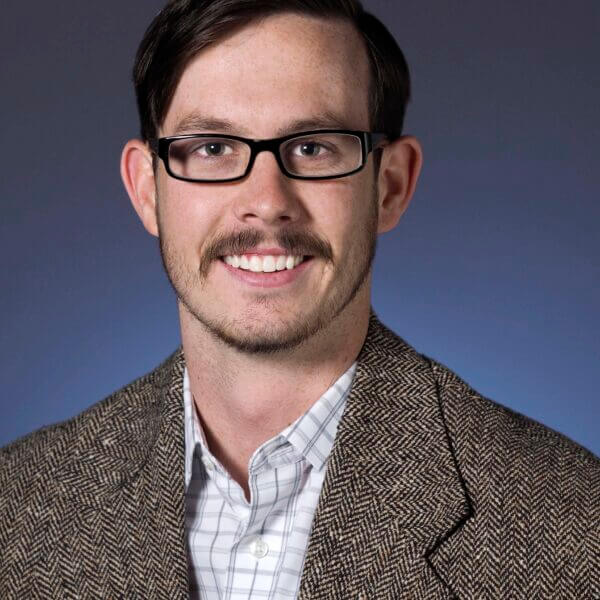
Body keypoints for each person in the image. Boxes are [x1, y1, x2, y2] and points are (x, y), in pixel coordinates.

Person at [1, 0, 598, 598]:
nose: (266, 202)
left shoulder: (573, 526)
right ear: (146, 190)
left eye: (313, 147)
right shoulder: (18, 507)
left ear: (390, 186)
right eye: (212, 148)